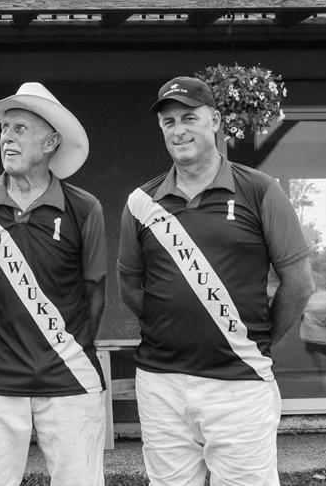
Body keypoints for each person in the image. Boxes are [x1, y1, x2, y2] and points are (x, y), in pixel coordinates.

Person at [117, 77, 314, 486]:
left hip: (239, 384)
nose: (179, 130)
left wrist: (253, 339)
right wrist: (172, 327)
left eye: (189, 118)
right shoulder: (140, 202)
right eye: (169, 122)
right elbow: (130, 286)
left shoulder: (260, 190)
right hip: (161, 384)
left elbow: (299, 284)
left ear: (216, 121)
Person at [0, 82, 107, 486]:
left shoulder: (84, 208)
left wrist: (67, 349)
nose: (7, 137)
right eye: (5, 128)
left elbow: (95, 293)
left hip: (70, 377)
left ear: (51, 142)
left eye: (20, 129)